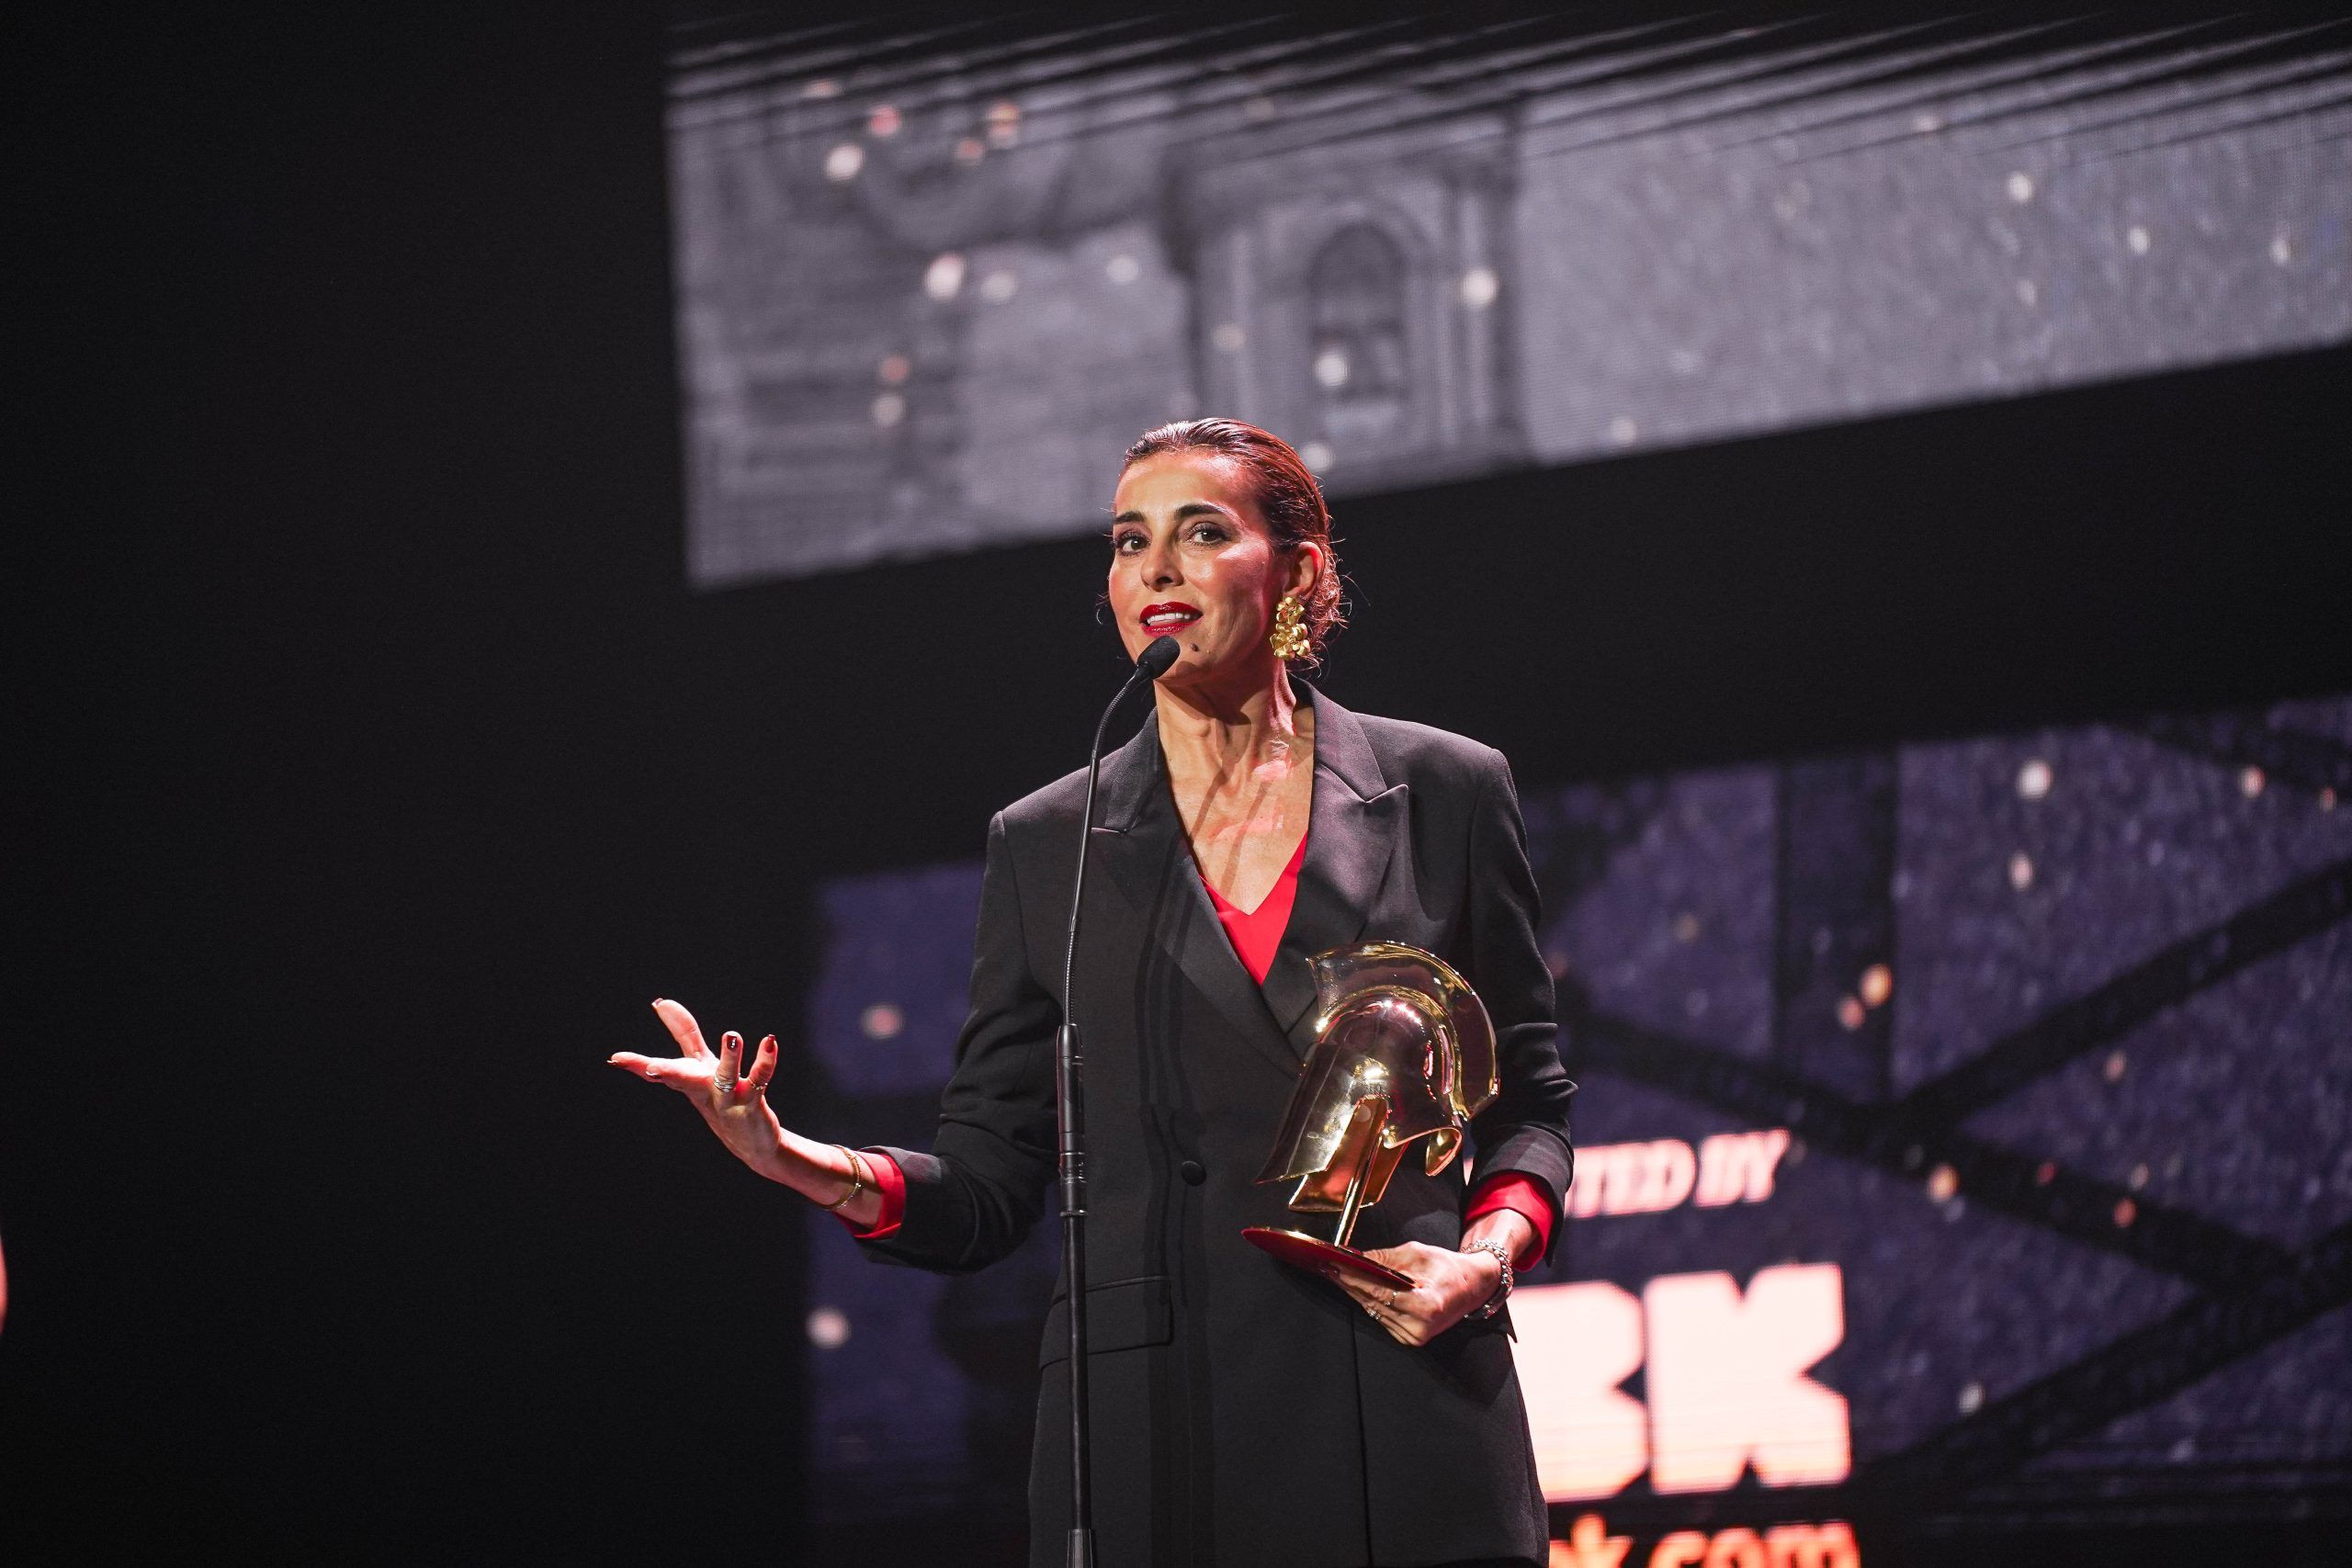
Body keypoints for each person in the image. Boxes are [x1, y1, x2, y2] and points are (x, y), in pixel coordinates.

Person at [614, 419, 1575, 1567]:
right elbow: (989, 1179)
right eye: (1128, 541)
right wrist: (793, 1158)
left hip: (1402, 1401)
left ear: (1297, 571)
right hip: (1161, 1428)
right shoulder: (1045, 841)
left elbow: (1528, 1102)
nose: (1154, 569)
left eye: (1200, 533)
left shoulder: (1444, 789)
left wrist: (1487, 1255)